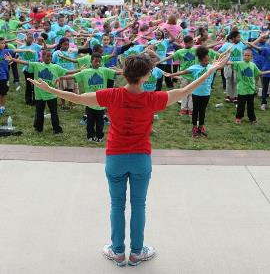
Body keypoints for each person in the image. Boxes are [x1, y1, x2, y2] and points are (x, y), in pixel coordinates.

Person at [28, 52, 229, 267]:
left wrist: (49, 89)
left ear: (124, 73)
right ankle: (136, 253)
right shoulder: (153, 98)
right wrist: (211, 69)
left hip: (115, 158)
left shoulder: (111, 95)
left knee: (117, 205)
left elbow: (77, 98)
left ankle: (117, 252)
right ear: (146, 76)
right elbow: (186, 90)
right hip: (141, 158)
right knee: (138, 205)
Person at [5, 50, 82, 133]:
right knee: (39, 112)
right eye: (47, 56)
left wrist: (79, 70)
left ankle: (57, 129)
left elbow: (67, 71)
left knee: (54, 113)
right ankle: (38, 128)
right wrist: (13, 59)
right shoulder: (37, 65)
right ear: (42, 57)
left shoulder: (55, 67)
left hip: (52, 94)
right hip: (39, 94)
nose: (49, 58)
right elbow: (25, 62)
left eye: (50, 56)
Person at [230, 49, 270, 123]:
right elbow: (230, 63)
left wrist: (268, 71)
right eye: (245, 55)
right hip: (242, 89)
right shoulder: (239, 63)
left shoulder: (253, 65)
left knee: (251, 106)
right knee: (241, 106)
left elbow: (259, 73)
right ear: (243, 56)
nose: (246, 57)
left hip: (251, 89)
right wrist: (225, 56)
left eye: (248, 55)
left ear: (251, 56)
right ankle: (238, 117)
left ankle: (252, 119)